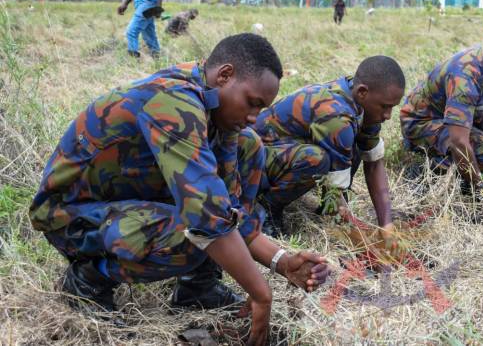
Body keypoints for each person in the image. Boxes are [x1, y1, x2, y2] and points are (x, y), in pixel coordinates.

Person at [29, 33, 330, 345]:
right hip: (70, 215)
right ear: (225, 75)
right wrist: (261, 295)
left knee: (249, 146)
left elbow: (232, 217)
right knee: (194, 236)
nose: (254, 117)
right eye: (252, 103)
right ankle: (88, 279)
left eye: (262, 108)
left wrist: (282, 261)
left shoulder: (219, 110)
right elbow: (208, 220)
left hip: (126, 197)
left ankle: (197, 286)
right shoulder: (174, 101)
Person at [253, 56, 405, 247]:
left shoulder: (363, 104)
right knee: (316, 160)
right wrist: (366, 248)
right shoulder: (337, 115)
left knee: (354, 145)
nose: (388, 116)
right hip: (252, 163)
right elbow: (334, 192)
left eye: (392, 107)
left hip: (283, 155)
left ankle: (326, 209)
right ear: (362, 92)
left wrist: (387, 227)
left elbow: (374, 163)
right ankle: (265, 209)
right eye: (385, 106)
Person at [400, 34, 483, 195]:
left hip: (463, 119)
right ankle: (429, 172)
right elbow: (459, 141)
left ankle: (475, 171)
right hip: (423, 122)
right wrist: (481, 193)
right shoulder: (466, 73)